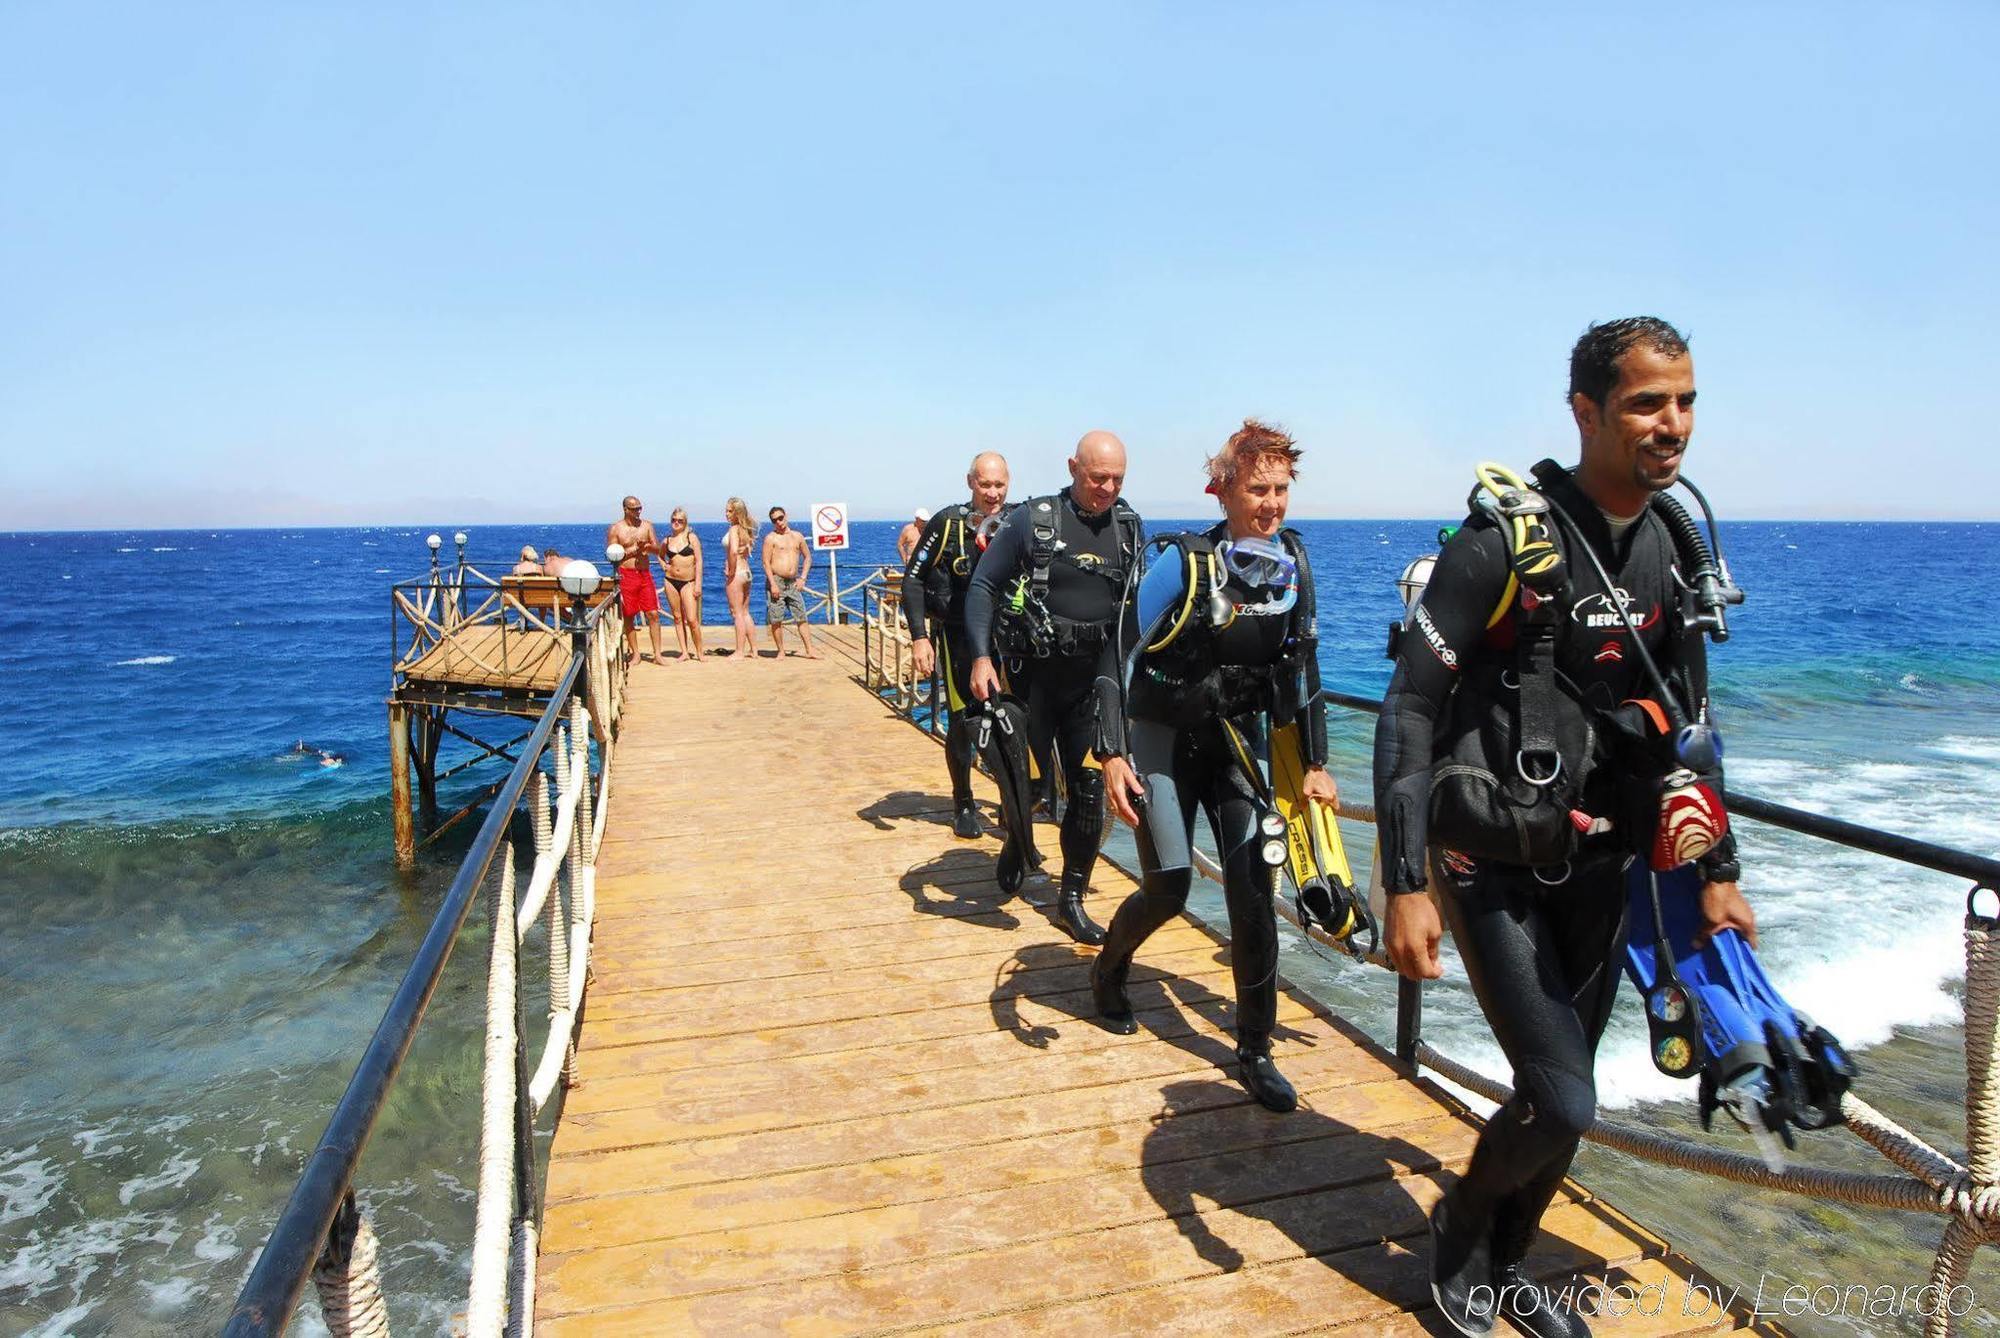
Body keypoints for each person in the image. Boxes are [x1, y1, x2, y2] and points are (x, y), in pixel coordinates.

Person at [1372, 317, 1753, 1338]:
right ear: (1584, 411)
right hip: (1482, 855)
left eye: (1682, 402)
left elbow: (1688, 726)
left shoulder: (1674, 546)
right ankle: (1457, 1229)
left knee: (1564, 1095)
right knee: (1562, 1097)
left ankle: (1505, 1265)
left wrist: (1714, 866)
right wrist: (1403, 881)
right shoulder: (1503, 540)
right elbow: (1407, 707)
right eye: (1643, 403)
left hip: (1599, 862)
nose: (1669, 425)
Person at [1093, 420, 1334, 1112]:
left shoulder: (1295, 563)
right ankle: (1110, 967)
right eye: (1257, 488)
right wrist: (1111, 752)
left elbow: (1308, 663)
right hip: (1163, 738)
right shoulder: (1188, 561)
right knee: (1169, 887)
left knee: (1254, 894)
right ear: (1221, 488)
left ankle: (1253, 1048)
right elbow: (1118, 650)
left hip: (1235, 746)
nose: (1272, 504)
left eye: (1282, 489)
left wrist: (1316, 761)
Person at [963, 430, 1142, 944]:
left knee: (1089, 795)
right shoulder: (1034, 520)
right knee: (1030, 787)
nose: (1107, 488)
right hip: (1033, 679)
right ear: (1072, 467)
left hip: (1092, 682)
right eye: (1096, 477)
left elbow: (1133, 613)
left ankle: (1072, 898)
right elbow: (983, 585)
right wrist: (980, 657)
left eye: (1117, 479)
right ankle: (1018, 841)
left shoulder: (1128, 527)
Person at [902, 454, 1011, 838]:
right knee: (965, 721)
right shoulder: (948, 523)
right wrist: (918, 637)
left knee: (1010, 720)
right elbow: (912, 580)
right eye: (985, 485)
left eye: (1000, 485)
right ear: (970, 482)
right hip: (957, 636)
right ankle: (963, 801)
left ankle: (1012, 801)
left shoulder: (1015, 522)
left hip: (1006, 639)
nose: (993, 493)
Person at [607, 495, 666, 662]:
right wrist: (634, 550)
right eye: (634, 509)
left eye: (640, 508)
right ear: (626, 509)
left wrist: (646, 546)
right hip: (626, 574)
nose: (638, 511)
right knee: (629, 614)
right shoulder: (616, 529)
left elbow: (658, 550)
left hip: (644, 574)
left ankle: (658, 654)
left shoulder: (647, 526)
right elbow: (612, 555)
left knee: (653, 613)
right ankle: (636, 653)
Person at [762, 505, 820, 659]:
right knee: (776, 618)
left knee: (801, 616)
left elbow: (807, 557)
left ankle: (810, 650)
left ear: (785, 516)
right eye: (775, 520)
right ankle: (781, 650)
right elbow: (766, 563)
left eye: (780, 518)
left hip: (793, 582)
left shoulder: (797, 536)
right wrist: (773, 584)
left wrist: (803, 578)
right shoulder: (770, 538)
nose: (779, 522)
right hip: (777, 581)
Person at [660, 507, 705, 662]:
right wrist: (663, 564)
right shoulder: (667, 540)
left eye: (680, 520)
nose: (676, 523)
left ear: (685, 522)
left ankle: (700, 652)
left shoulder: (691, 538)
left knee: (692, 619)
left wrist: (698, 584)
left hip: (688, 582)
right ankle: (684, 652)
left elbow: (699, 561)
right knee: (678, 617)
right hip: (670, 581)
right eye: (674, 520)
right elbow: (659, 555)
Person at [721, 498, 758, 659]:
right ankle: (754, 649)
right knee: (745, 612)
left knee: (737, 613)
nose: (727, 514)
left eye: (730, 511)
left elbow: (734, 551)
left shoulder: (734, 529)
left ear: (737, 513)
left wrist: (731, 570)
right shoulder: (746, 529)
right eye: (727, 510)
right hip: (747, 573)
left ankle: (739, 651)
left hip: (737, 573)